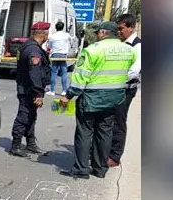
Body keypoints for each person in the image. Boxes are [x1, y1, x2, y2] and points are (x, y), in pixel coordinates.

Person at [58, 21, 137, 179]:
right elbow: (129, 71)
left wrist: (68, 96)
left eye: (97, 33)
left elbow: (80, 79)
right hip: (115, 99)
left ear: (103, 33)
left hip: (92, 99)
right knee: (105, 133)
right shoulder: (129, 51)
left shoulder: (92, 51)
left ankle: (81, 169)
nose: (96, 36)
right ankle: (100, 169)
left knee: (84, 133)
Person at [10, 21, 51, 158]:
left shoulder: (28, 46)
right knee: (24, 116)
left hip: (28, 89)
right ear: (44, 35)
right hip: (29, 90)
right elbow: (35, 74)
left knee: (31, 117)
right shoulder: (34, 50)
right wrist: (38, 93)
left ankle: (31, 143)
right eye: (47, 33)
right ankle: (16, 145)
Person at [107, 14, 141, 166]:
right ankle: (105, 150)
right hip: (114, 88)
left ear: (131, 27)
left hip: (126, 89)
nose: (119, 31)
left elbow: (133, 71)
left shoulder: (138, 46)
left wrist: (113, 80)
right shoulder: (120, 43)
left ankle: (115, 156)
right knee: (108, 119)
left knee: (119, 121)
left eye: (121, 28)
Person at [46, 20, 72, 95]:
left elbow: (49, 46)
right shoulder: (66, 35)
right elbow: (71, 41)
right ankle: (64, 90)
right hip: (63, 55)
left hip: (55, 55)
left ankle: (52, 90)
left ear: (56, 28)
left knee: (54, 72)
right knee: (64, 73)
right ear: (63, 27)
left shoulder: (52, 36)